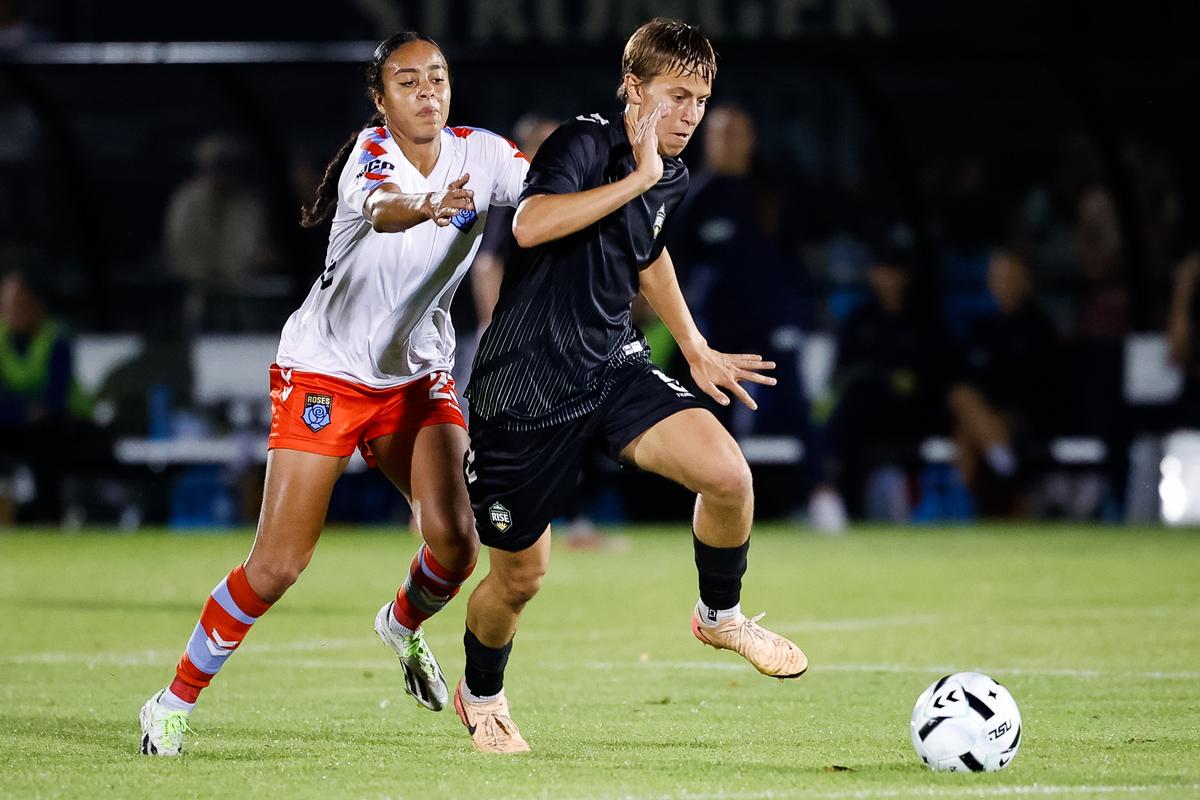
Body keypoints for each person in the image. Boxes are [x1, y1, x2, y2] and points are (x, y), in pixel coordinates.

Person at [138, 31, 530, 756]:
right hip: (326, 372)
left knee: (456, 545)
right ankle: (170, 701)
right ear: (380, 99)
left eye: (437, 78)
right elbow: (385, 210)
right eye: (406, 81)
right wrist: (432, 208)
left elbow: (543, 191)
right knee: (279, 564)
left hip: (415, 377)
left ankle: (402, 625)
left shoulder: (484, 152)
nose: (427, 92)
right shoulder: (369, 156)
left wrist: (618, 170)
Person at [456, 18, 808, 755]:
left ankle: (720, 614)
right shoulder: (583, 144)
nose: (689, 115)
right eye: (675, 96)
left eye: (701, 100)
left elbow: (647, 251)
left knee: (728, 476)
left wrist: (695, 345)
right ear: (633, 87)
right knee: (519, 579)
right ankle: (482, 693)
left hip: (611, 366)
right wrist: (639, 178)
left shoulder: (668, 173)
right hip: (524, 389)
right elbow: (529, 224)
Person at [947, 249, 1062, 515]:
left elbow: (1042, 387)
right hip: (991, 418)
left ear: (1025, 280)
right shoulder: (983, 328)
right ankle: (1002, 463)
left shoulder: (1039, 327)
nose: (1002, 284)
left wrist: (999, 410)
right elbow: (967, 378)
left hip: (1028, 420)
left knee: (966, 418)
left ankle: (965, 499)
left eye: (1009, 276)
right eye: (997, 277)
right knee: (963, 403)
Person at [0, 270, 95, 524]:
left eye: (19, 303)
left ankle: (50, 517)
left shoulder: (55, 338)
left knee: (47, 439)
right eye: (6, 303)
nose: (12, 310)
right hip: (15, 421)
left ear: (36, 303)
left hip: (62, 424)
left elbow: (55, 399)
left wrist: (20, 410)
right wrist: (21, 412)